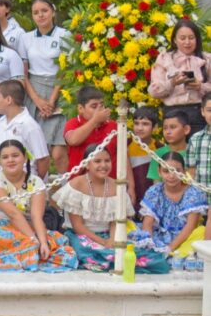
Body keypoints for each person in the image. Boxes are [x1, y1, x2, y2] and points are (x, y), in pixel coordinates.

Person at [53, 145, 169, 273]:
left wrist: (113, 240)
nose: (103, 165)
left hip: (110, 235)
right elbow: (77, 226)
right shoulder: (77, 184)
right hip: (82, 236)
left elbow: (116, 221)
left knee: (154, 260)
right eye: (97, 161)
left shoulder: (116, 185)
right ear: (87, 165)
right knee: (92, 257)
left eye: (107, 161)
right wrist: (102, 242)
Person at [0, 139, 78, 273]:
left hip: (27, 225)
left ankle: (31, 254)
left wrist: (42, 242)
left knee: (55, 243)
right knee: (23, 243)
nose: (10, 160)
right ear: (0, 162)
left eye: (15, 155)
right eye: (5, 157)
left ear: (25, 157)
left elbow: (36, 216)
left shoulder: (36, 182)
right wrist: (33, 239)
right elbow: (13, 214)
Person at [19, 0, 69, 175]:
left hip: (59, 90)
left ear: (53, 12)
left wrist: (52, 100)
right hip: (34, 90)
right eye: (36, 12)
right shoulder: (25, 38)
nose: (41, 15)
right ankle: (39, 188)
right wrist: (38, 100)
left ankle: (63, 191)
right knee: (38, 149)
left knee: (58, 151)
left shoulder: (64, 35)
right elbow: (23, 73)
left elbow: (65, 70)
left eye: (44, 11)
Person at [133, 152, 207, 260]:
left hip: (185, 239)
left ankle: (177, 255)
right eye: (166, 171)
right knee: (129, 228)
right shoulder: (155, 191)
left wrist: (170, 248)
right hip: (159, 237)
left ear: (184, 172)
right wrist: (152, 245)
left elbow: (191, 226)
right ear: (159, 172)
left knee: (201, 232)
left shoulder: (194, 192)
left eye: (177, 171)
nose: (171, 176)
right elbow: (147, 224)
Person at [149, 19, 211, 135]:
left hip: (198, 113)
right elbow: (153, 91)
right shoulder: (164, 58)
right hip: (172, 115)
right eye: (182, 38)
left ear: (197, 39)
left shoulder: (207, 59)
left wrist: (200, 86)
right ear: (175, 40)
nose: (187, 42)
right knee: (175, 152)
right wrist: (172, 83)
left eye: (191, 38)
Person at [0, 80, 52, 179]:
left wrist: (33, 183)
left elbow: (43, 159)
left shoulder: (29, 125)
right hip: (1, 183)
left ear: (8, 100)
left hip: (24, 186)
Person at [63, 86, 118, 179]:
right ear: (81, 108)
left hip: (109, 183)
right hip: (79, 184)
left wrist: (131, 186)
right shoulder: (73, 123)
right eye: (94, 106)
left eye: (101, 105)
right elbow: (73, 140)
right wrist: (95, 120)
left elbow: (123, 155)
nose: (99, 110)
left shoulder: (113, 125)